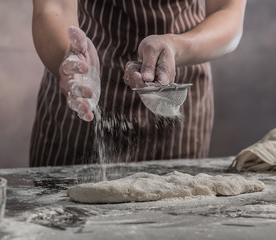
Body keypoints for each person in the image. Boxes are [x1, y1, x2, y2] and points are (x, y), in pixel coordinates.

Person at [30, 0, 246, 167]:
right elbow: (51, 7)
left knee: (176, 215)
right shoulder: (77, 70)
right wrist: (69, 57)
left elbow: (227, 11)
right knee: (66, 216)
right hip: (82, 86)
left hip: (174, 87)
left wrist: (175, 46)